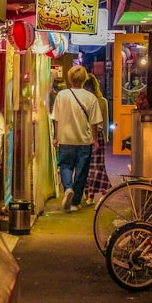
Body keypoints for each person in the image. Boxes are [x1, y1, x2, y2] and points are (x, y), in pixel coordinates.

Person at [51, 65, 102, 212]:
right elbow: (94, 122)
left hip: (65, 138)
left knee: (65, 166)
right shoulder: (90, 97)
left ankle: (67, 189)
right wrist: (95, 140)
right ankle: (75, 203)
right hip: (84, 140)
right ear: (85, 78)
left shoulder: (62, 95)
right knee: (82, 172)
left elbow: (56, 118)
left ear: (69, 78)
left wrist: (56, 136)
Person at [82, 74, 111, 205]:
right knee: (97, 166)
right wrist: (105, 137)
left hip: (85, 135)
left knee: (88, 166)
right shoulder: (102, 101)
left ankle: (90, 193)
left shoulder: (84, 100)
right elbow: (105, 122)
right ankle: (100, 190)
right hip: (98, 135)